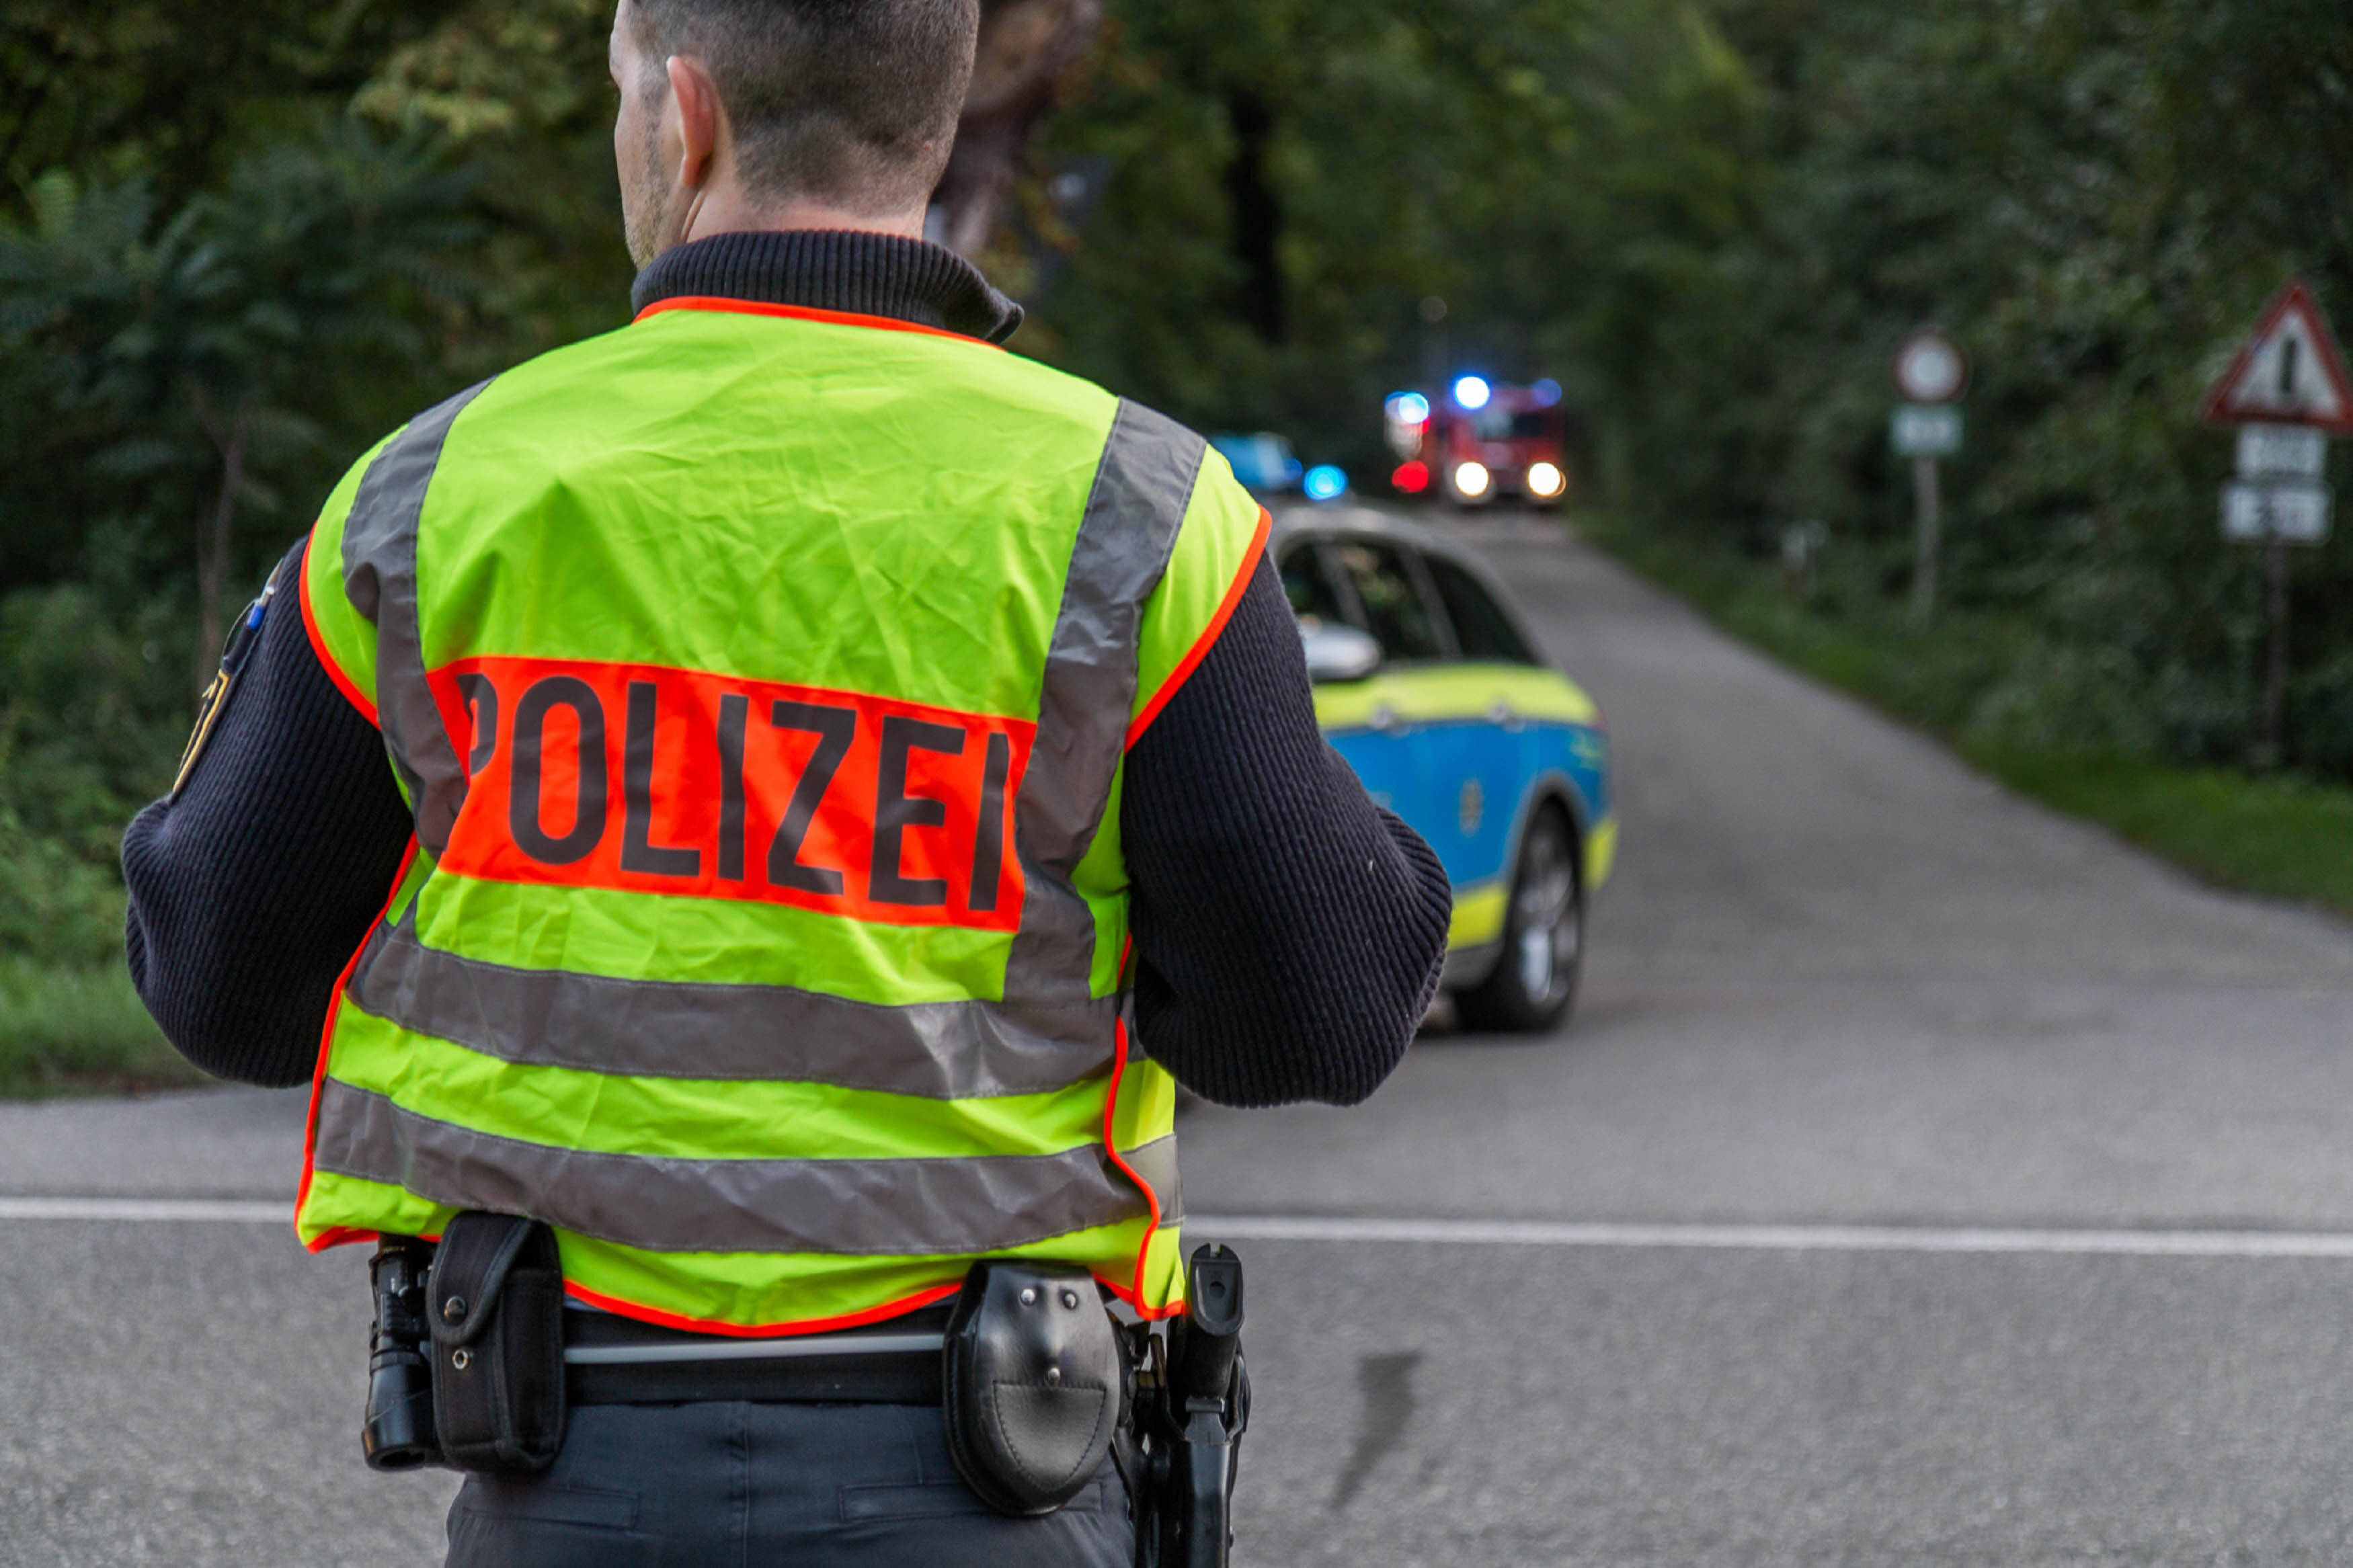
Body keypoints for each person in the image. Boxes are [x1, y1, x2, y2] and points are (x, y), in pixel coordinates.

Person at [120, 0, 1451, 1561]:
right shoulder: (1141, 513)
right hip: (989, 1475)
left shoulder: (436, 491)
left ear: (683, 117)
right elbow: (1315, 1015)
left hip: (571, 1478)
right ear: (934, 126)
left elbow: (221, 982)